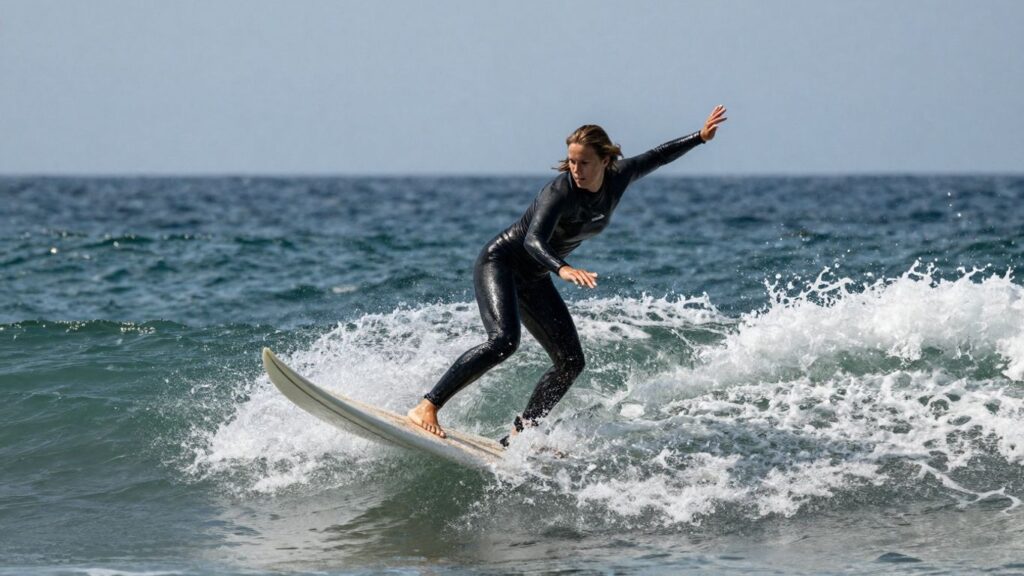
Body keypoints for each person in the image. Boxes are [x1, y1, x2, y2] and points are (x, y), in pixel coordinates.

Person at [407, 105, 728, 446]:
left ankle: (520, 433)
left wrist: (700, 137)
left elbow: (658, 156)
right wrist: (563, 268)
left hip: (534, 275)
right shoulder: (560, 191)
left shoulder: (619, 177)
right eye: (572, 161)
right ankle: (427, 406)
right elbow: (532, 239)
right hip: (502, 262)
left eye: (584, 162)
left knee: (571, 362)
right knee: (503, 341)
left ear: (606, 160)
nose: (575, 169)